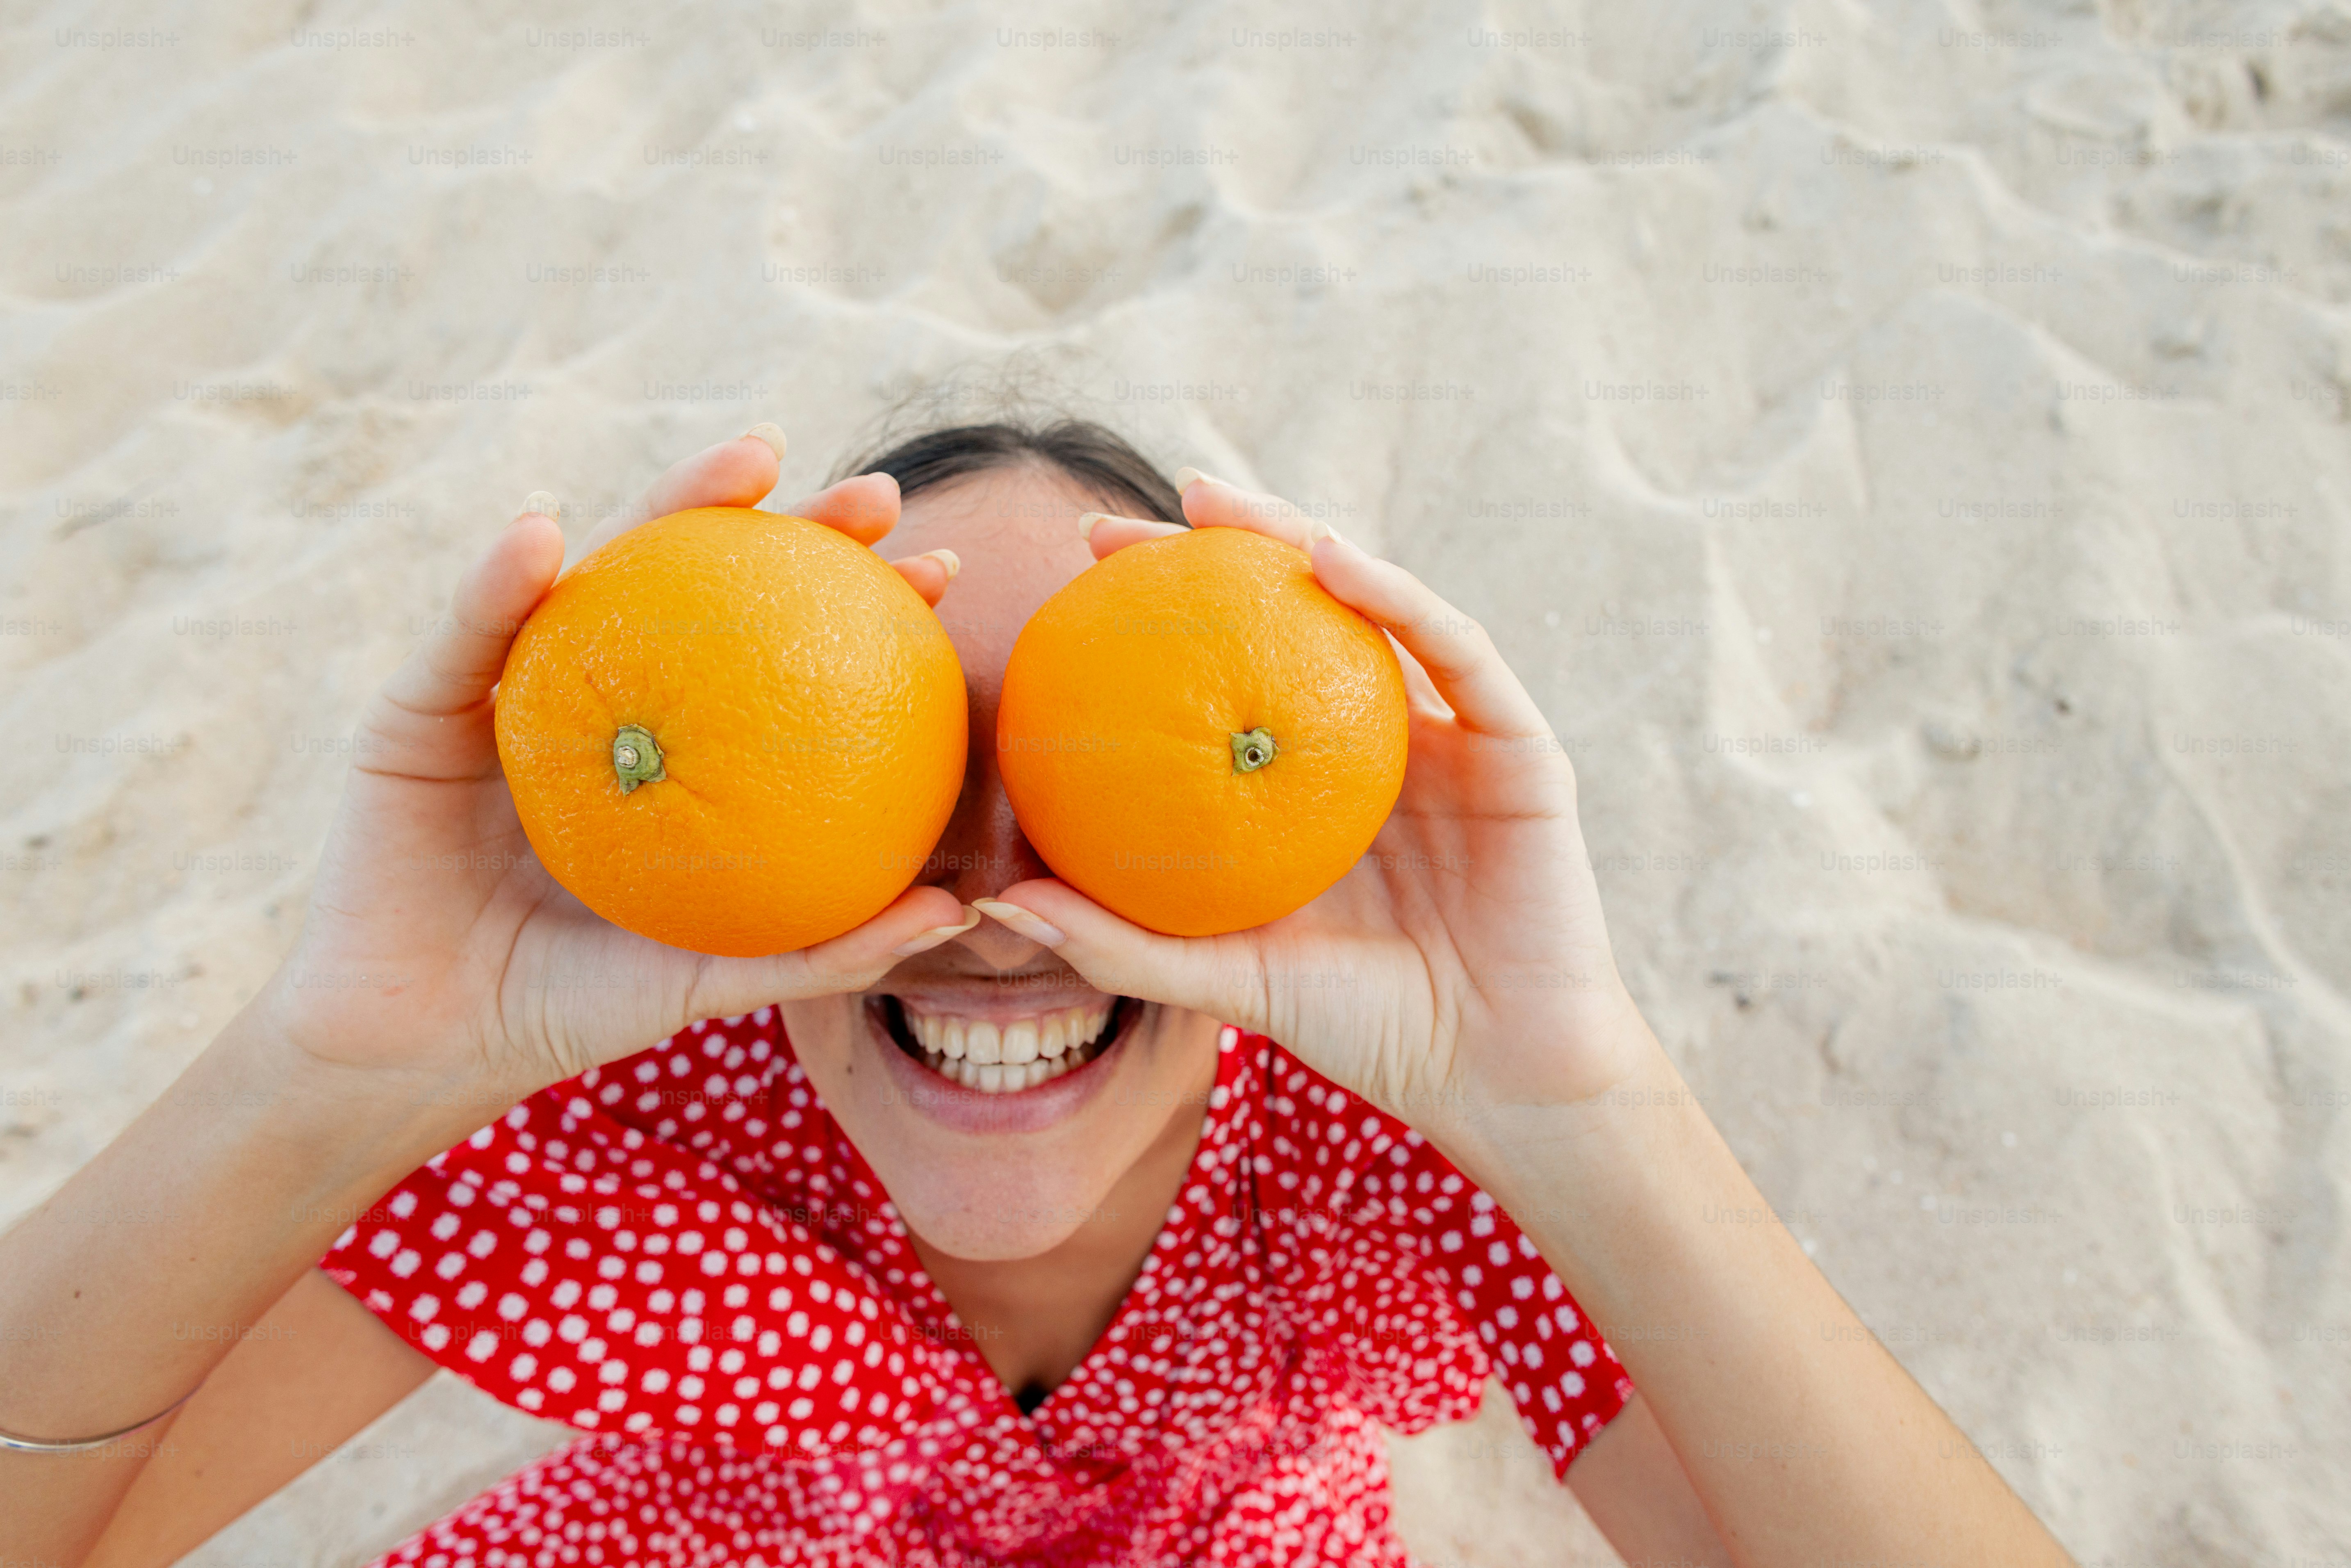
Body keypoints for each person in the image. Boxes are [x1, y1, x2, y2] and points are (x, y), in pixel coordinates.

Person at [0, 418, 2076, 1567]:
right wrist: (308, 1071)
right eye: (900, 770)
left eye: (1097, 770)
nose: (996, 891)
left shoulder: (1406, 1130)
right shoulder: (638, 1103)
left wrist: (1589, 1104)